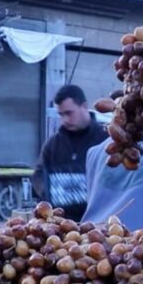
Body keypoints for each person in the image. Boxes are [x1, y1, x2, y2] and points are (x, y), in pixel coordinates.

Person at [32, 85, 108, 220]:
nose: (65, 119)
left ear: (84, 106)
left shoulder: (105, 140)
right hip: (59, 227)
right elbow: (38, 175)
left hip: (99, 224)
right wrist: (48, 192)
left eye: (69, 113)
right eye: (61, 114)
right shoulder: (52, 144)